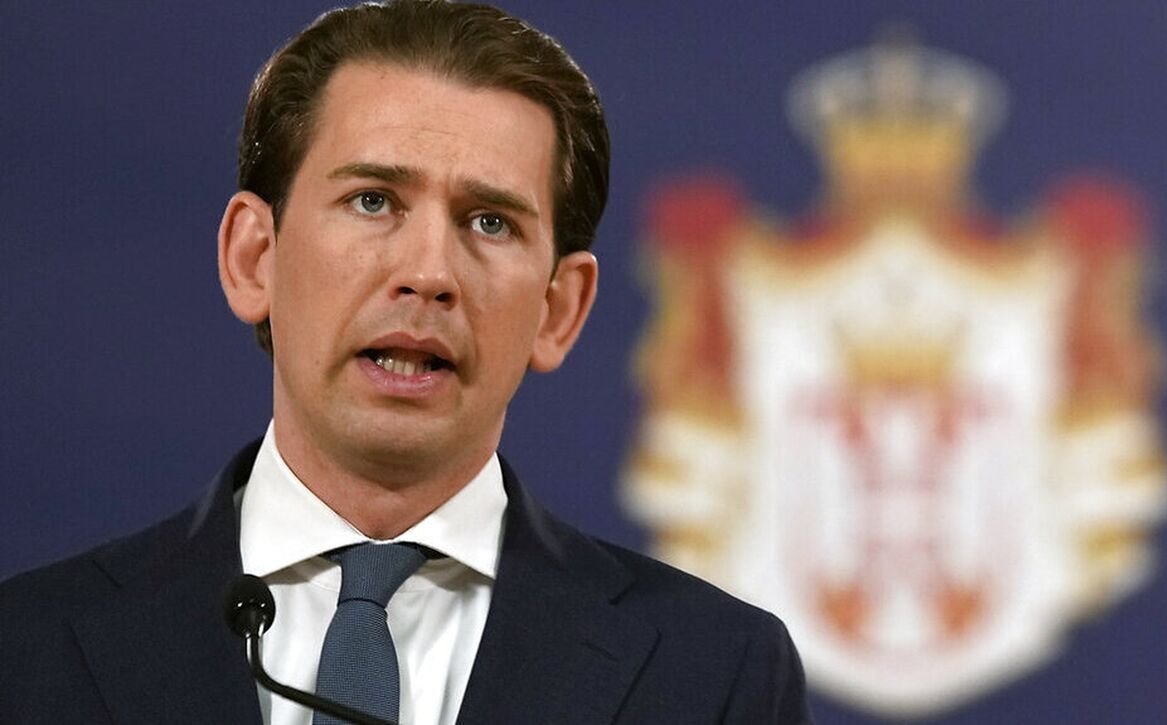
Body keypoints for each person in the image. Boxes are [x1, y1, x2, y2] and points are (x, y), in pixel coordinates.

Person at [0, 1, 811, 723]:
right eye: (373, 200)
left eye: (490, 222)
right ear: (254, 257)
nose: (428, 272)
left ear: (559, 309)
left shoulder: (712, 673)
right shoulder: (27, 653)